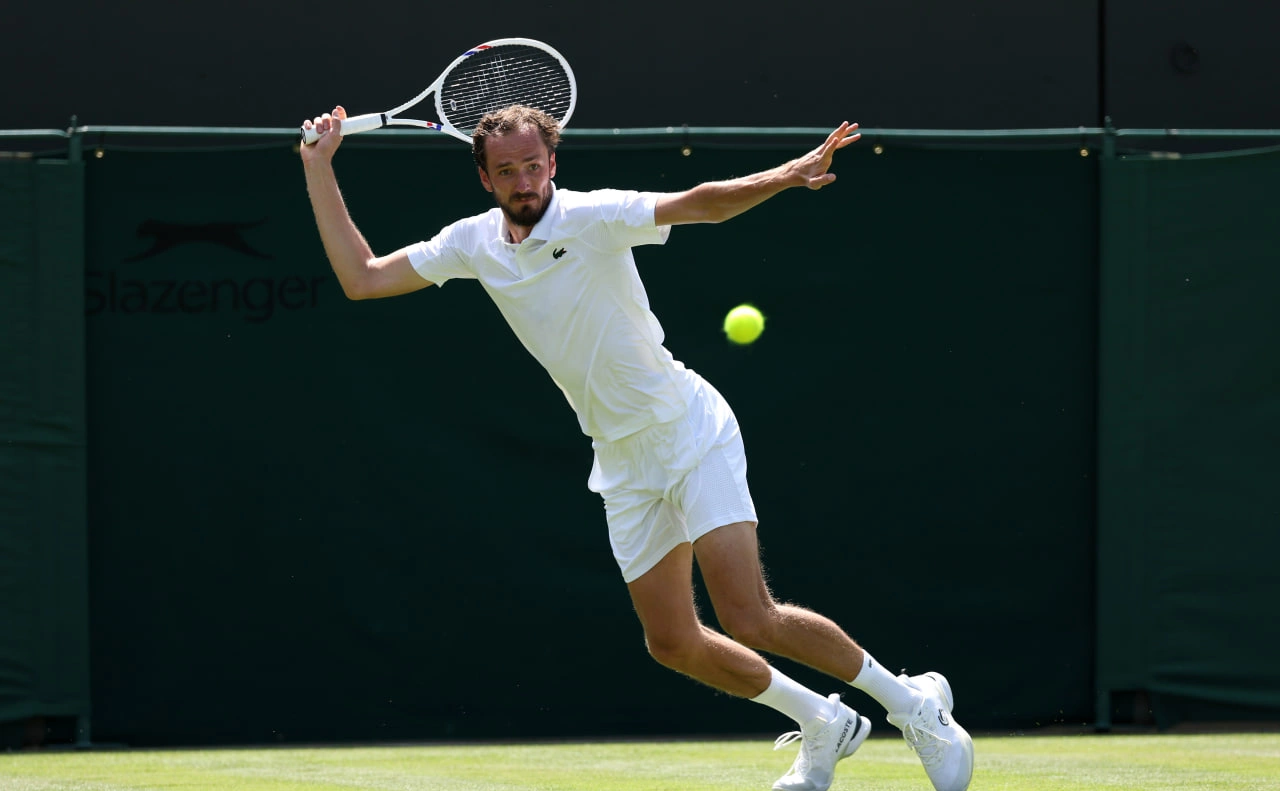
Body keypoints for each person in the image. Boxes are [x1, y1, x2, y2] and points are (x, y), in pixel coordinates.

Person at [300, 104, 975, 791]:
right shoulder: (472, 243)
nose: (524, 180)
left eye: (534, 165)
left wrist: (790, 174)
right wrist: (318, 167)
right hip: (620, 460)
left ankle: (915, 705)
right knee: (672, 642)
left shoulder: (592, 216)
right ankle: (823, 721)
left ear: (553, 163)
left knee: (747, 614)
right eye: (508, 171)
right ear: (485, 178)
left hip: (688, 429)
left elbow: (700, 205)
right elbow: (364, 277)